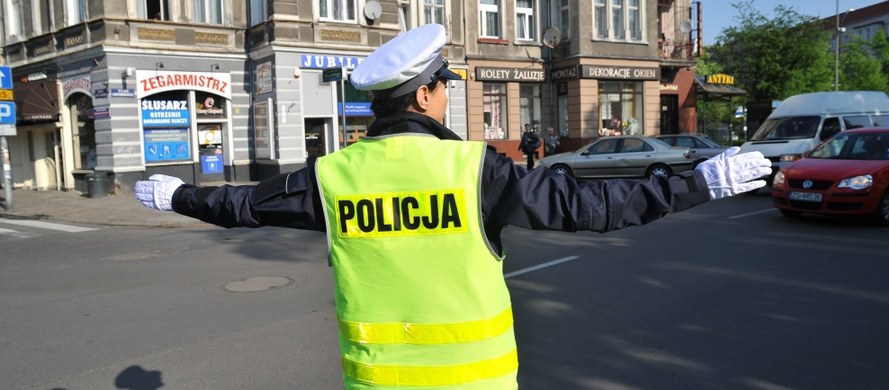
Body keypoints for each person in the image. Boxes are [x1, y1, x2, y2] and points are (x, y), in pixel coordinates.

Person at [134, 24, 771, 390]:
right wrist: (696, 183)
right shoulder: (474, 170)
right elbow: (590, 206)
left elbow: (245, 206)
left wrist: (178, 195)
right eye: (444, 88)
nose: (446, 99)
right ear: (427, 94)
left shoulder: (333, 178)